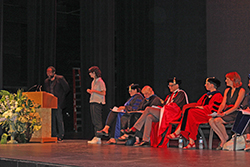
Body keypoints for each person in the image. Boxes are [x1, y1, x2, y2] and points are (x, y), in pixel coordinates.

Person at [125, 77, 188, 147]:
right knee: (149, 117)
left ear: (177, 85)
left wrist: (165, 107)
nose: (170, 87)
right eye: (169, 86)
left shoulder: (181, 94)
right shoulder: (169, 96)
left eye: (171, 86)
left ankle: (135, 128)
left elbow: (175, 107)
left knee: (148, 109)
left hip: (173, 115)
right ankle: (145, 140)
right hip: (165, 113)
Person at [167, 77, 223, 149]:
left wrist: (203, 108)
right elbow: (198, 104)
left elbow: (214, 109)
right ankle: (191, 142)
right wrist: (198, 107)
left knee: (190, 113)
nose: (205, 85)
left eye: (207, 84)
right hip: (200, 115)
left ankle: (179, 133)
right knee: (191, 116)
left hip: (209, 115)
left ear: (212, 85)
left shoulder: (218, 95)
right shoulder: (206, 95)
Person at [209, 72, 245, 150]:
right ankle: (223, 139)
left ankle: (225, 138)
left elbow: (236, 107)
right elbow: (222, 104)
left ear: (233, 80)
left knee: (218, 121)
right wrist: (218, 112)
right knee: (211, 120)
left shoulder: (241, 90)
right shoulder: (227, 90)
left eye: (227, 79)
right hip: (227, 111)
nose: (226, 81)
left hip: (235, 112)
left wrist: (223, 114)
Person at [44, 66, 70, 142]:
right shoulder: (46, 81)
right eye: (47, 72)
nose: (48, 74)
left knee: (59, 118)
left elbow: (67, 88)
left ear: (54, 72)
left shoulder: (60, 79)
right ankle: (54, 134)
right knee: (51, 119)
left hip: (58, 101)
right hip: (50, 102)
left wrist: (61, 96)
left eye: (49, 72)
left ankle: (60, 135)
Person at [87, 66, 106, 144]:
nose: (90, 74)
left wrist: (93, 91)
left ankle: (99, 137)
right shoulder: (93, 81)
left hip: (98, 102)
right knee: (94, 119)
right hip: (93, 101)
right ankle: (96, 135)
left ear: (94, 73)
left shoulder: (100, 81)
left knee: (97, 120)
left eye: (91, 73)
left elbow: (103, 92)